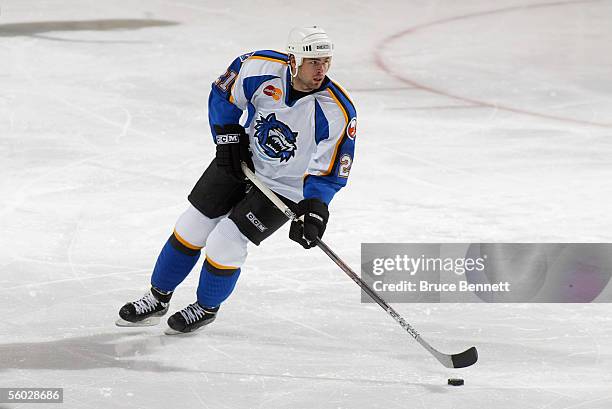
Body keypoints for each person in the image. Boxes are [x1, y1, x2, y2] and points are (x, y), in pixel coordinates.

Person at [116, 26, 357, 334]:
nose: (320, 69)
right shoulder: (258, 67)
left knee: (225, 242)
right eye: (313, 61)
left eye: (326, 61)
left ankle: (205, 307)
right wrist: (228, 136)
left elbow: (330, 169)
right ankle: (157, 298)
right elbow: (223, 95)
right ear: (293, 60)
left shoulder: (337, 111)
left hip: (284, 187)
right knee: (192, 225)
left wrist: (314, 208)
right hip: (242, 161)